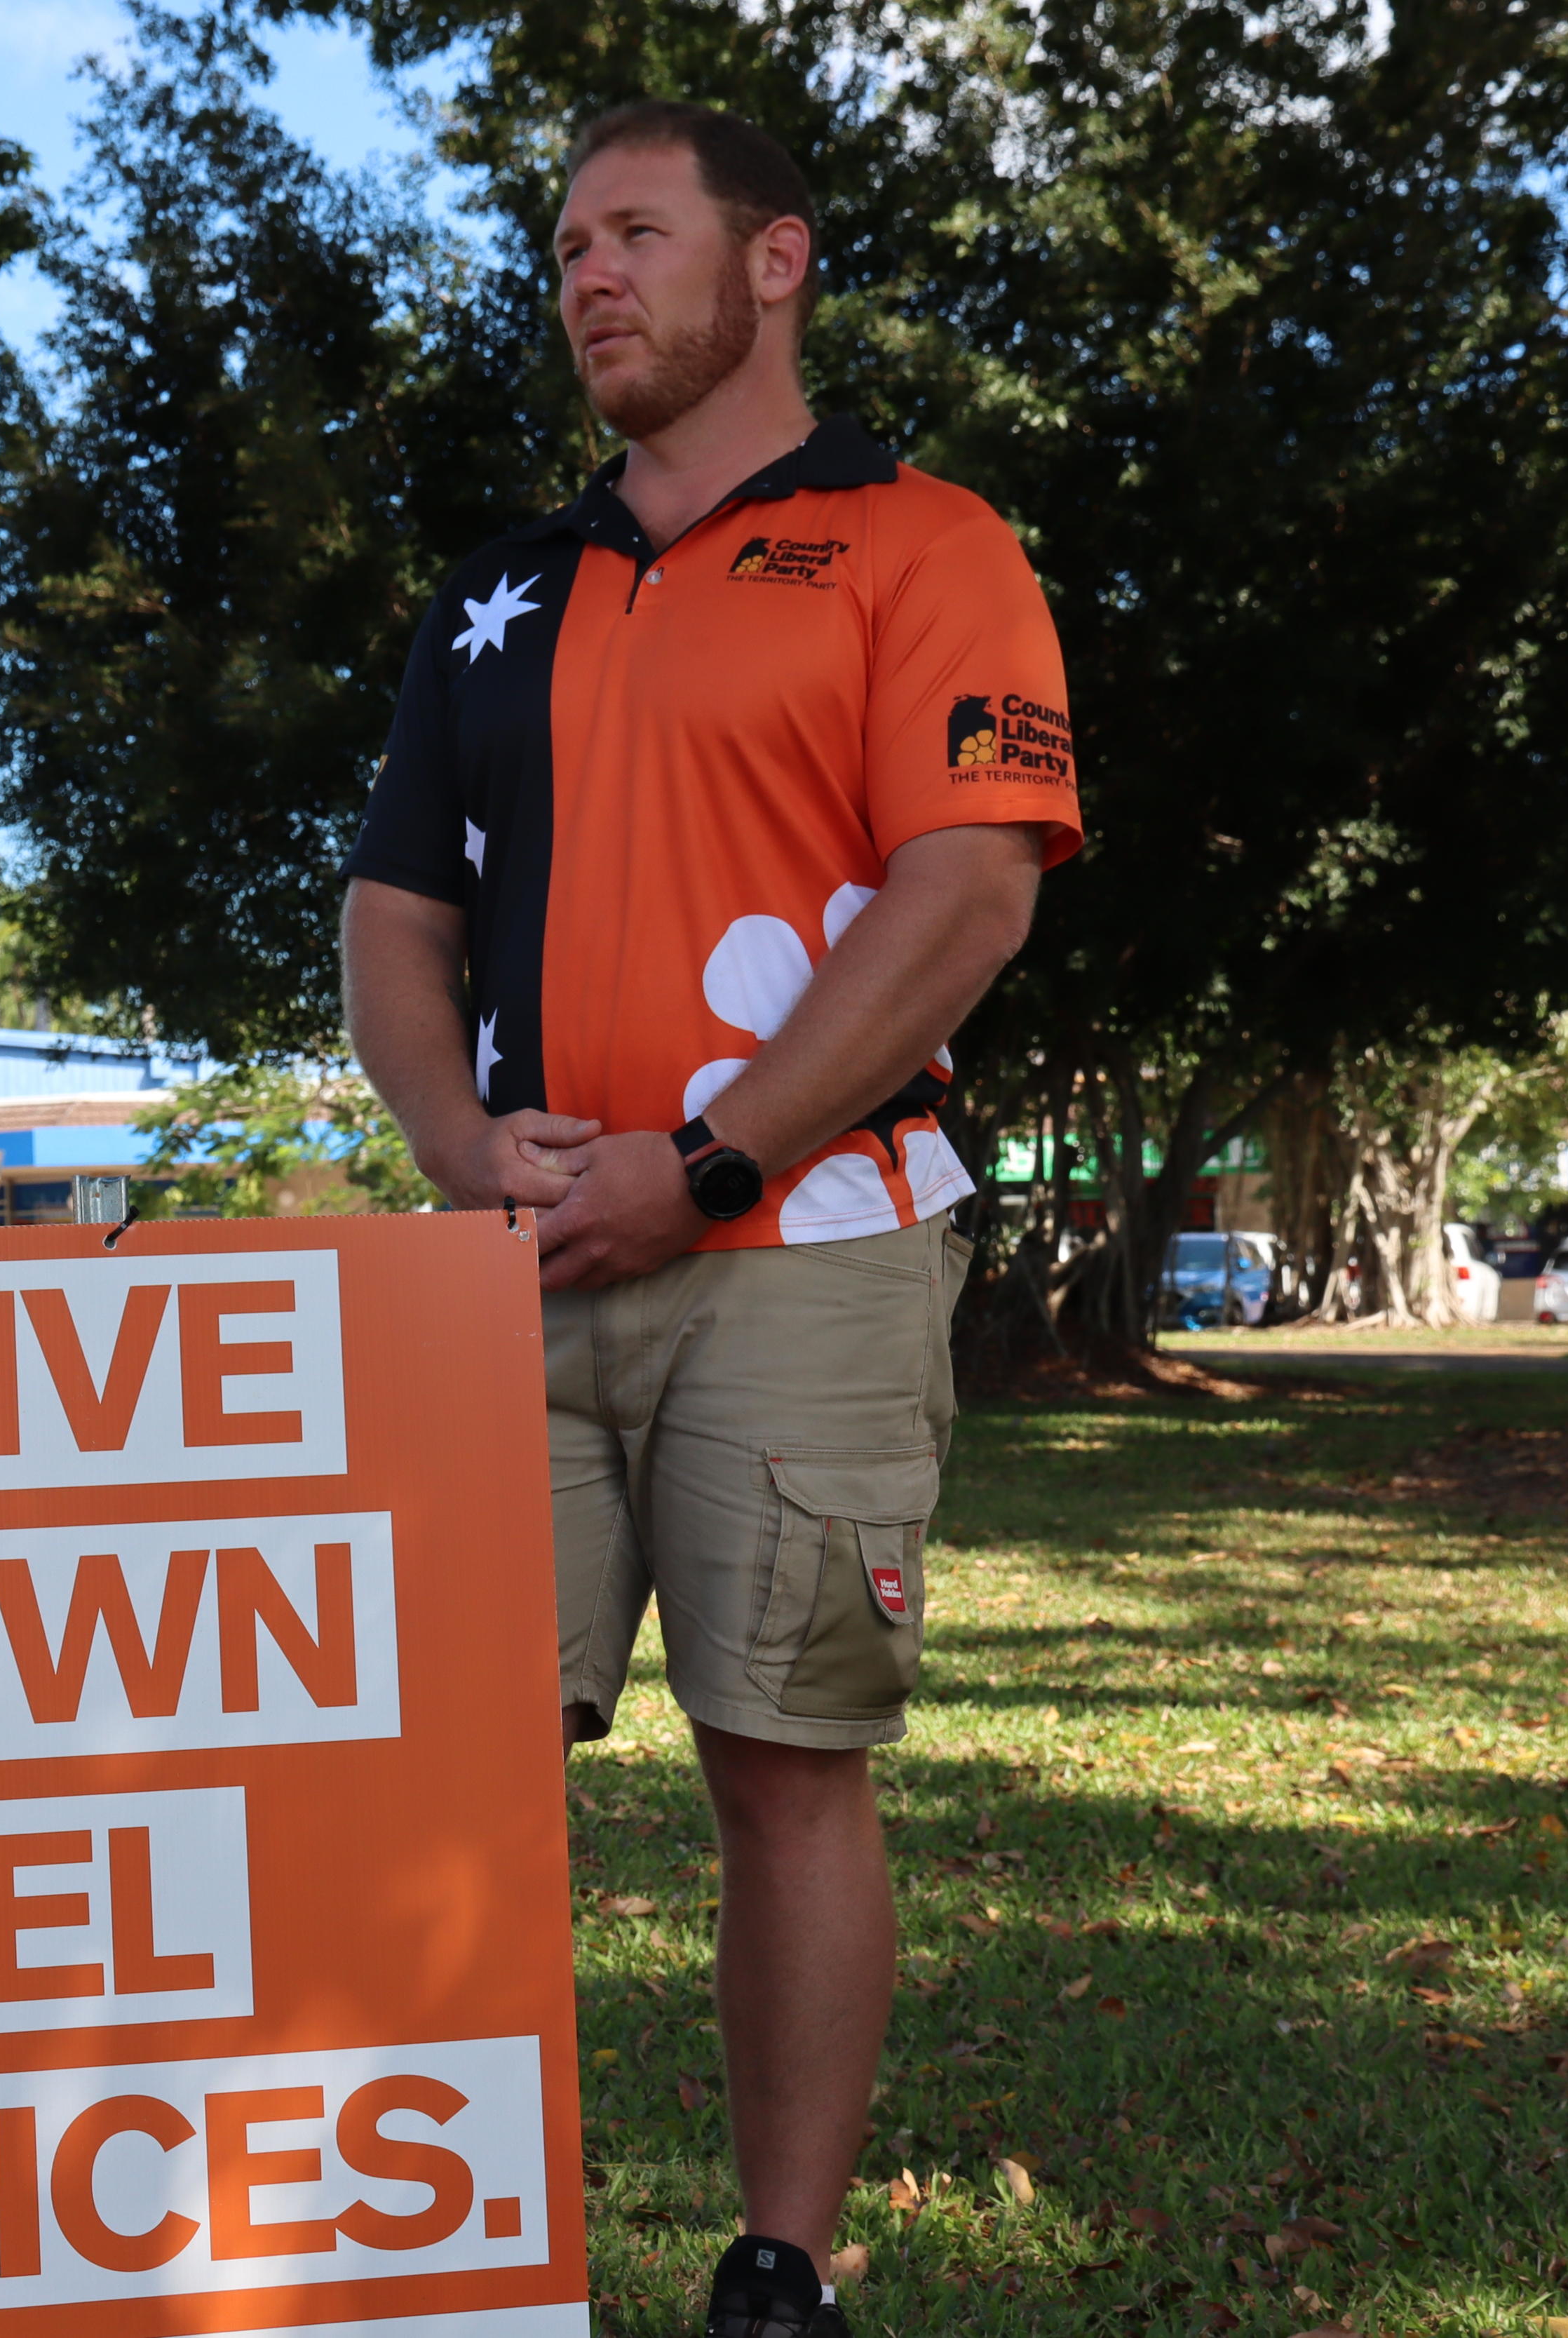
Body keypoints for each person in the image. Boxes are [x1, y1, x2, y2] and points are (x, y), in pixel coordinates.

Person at [342, 100, 1080, 2338]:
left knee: (786, 1769)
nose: (587, 273)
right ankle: (445, 2251)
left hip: (812, 1248)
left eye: (636, 231)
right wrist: (467, 1159)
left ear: (776, 263)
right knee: (448, 1771)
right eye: (566, 241)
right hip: (520, 1271)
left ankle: (783, 2265)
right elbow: (394, 924)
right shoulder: (508, 596)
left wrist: (722, 1156)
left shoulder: (922, 540)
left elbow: (968, 891)